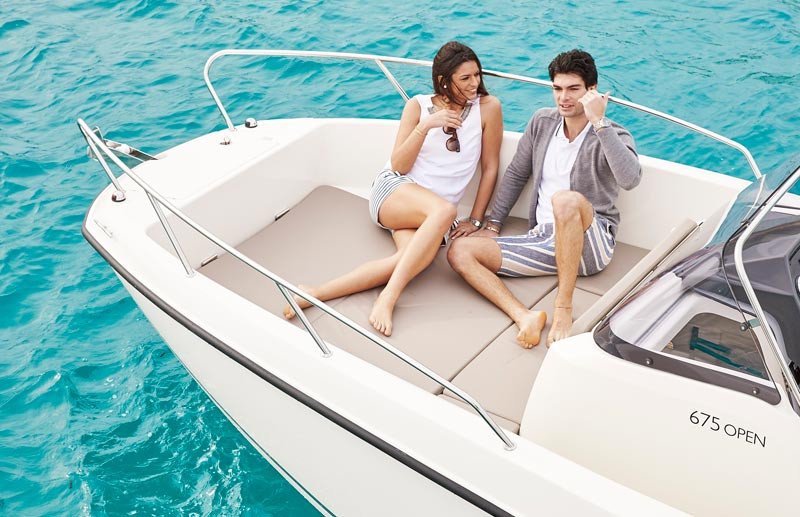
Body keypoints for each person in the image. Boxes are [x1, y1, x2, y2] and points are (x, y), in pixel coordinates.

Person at [284, 41, 503, 336]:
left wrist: (476, 220)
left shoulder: (489, 108)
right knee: (444, 211)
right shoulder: (418, 106)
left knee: (407, 260)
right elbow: (399, 165)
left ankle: (314, 292)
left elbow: (490, 168)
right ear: (444, 80)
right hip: (396, 192)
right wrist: (426, 125)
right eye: (465, 78)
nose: (475, 83)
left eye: (477, 74)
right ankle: (388, 297)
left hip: (432, 215)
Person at [447, 49, 641, 348]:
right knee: (459, 252)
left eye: (573, 89)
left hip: (591, 242)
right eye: (557, 89)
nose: (564, 98)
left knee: (565, 201)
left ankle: (563, 308)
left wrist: (599, 122)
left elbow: (630, 179)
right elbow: (517, 173)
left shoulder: (612, 132)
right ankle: (524, 316)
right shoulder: (542, 121)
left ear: (592, 91)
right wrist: (493, 223)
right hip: (545, 240)